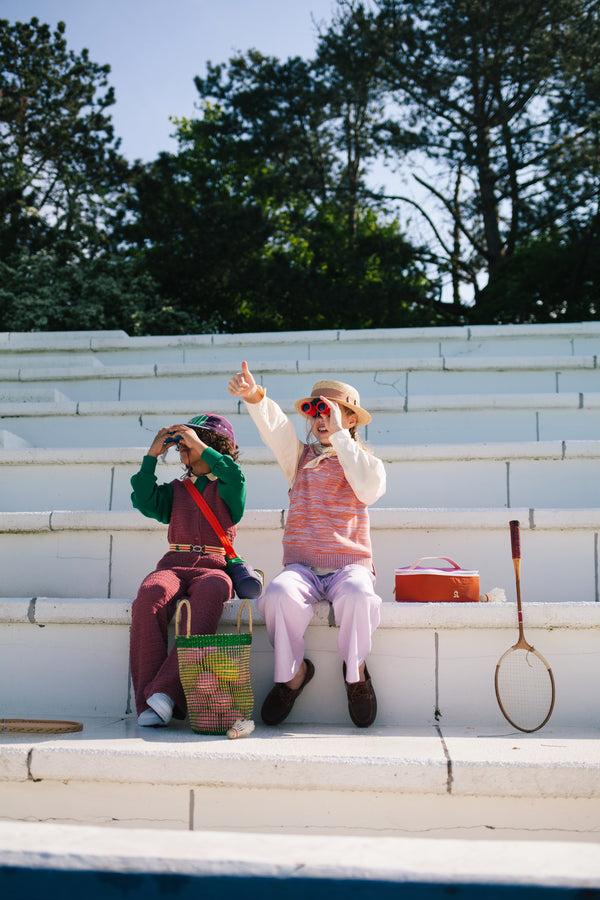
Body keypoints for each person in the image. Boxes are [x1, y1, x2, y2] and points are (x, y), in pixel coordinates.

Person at [228, 362, 386, 728]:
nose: (321, 419)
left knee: (360, 596)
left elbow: (368, 490)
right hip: (302, 567)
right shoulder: (301, 459)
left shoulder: (367, 463)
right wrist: (255, 396)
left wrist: (341, 438)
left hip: (350, 565)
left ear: (351, 419)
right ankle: (293, 675)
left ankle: (356, 670)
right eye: (317, 410)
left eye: (331, 411)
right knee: (279, 593)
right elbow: (277, 430)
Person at [129, 414, 246, 726]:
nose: (183, 452)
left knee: (212, 593)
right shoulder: (176, 490)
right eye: (181, 448)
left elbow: (232, 473)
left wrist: (197, 442)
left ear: (212, 447)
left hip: (214, 567)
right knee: (150, 594)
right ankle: (148, 704)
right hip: (173, 564)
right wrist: (152, 456)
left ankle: (165, 692)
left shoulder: (230, 486)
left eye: (190, 447)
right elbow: (143, 499)